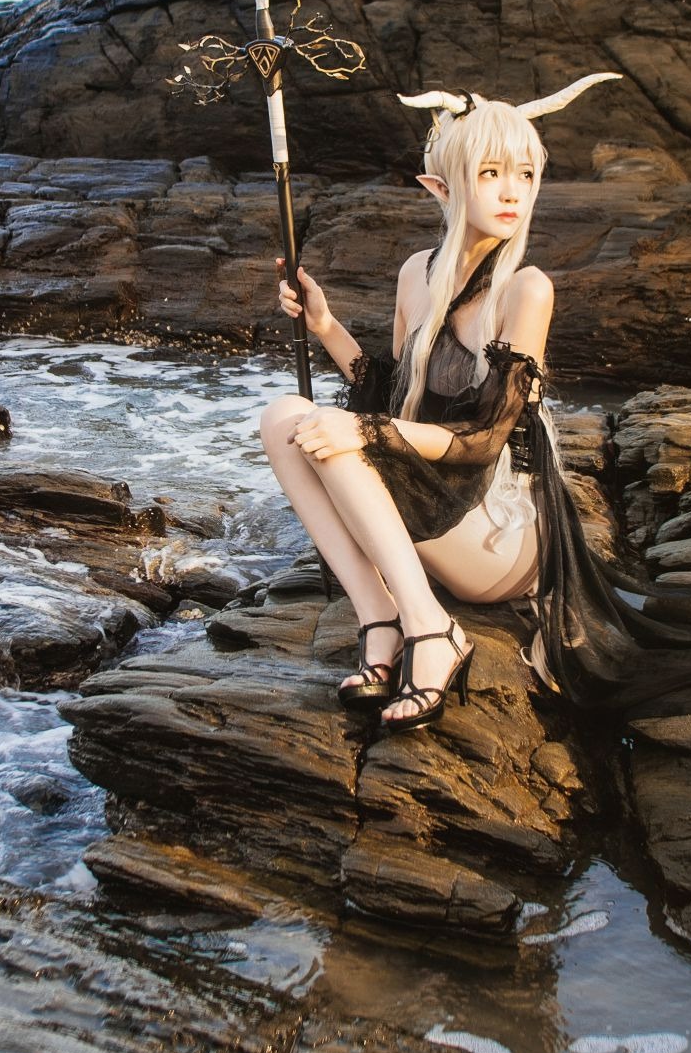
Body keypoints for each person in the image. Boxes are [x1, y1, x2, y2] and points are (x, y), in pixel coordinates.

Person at [255, 74, 634, 727]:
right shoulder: (415, 274)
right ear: (442, 189)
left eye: (524, 174)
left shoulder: (526, 289)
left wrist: (363, 435)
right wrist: (323, 325)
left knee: (349, 433)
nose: (513, 190)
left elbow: (485, 437)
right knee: (285, 416)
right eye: (490, 173)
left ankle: (434, 632)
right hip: (437, 506)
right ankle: (383, 619)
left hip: (503, 537)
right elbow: (393, 394)